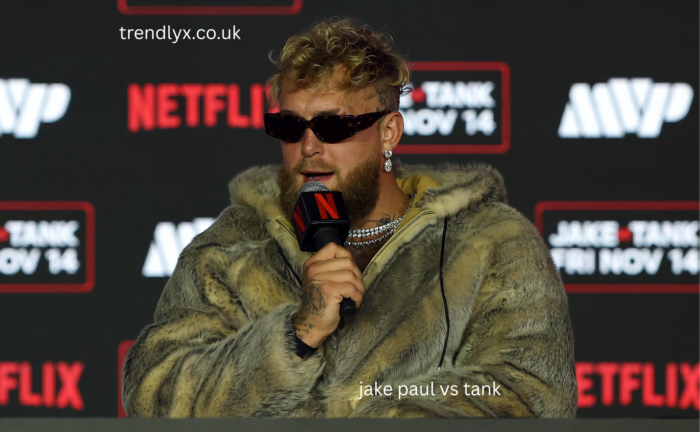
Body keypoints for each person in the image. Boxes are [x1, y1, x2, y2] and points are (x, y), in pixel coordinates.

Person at [122, 17, 577, 418]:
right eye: (289, 126)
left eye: (333, 126)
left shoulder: (490, 241)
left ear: (388, 132)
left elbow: (531, 397)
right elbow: (154, 396)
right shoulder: (233, 245)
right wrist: (296, 335)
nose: (308, 147)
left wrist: (375, 411)